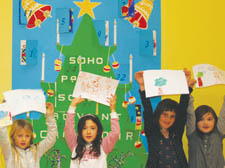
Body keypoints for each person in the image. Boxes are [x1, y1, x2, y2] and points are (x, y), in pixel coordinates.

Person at [134, 69, 195, 168]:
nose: (168, 119)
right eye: (165, 115)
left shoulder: (176, 133)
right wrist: (142, 86)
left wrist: (186, 85)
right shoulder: (152, 132)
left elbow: (183, 109)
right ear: (158, 115)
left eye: (172, 116)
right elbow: (148, 110)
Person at [64, 95, 120, 168]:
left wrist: (113, 110)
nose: (88, 132)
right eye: (84, 128)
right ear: (80, 131)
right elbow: (68, 128)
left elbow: (115, 133)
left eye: (92, 128)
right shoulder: (75, 143)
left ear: (98, 130)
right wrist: (72, 105)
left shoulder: (103, 145)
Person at [0, 102, 57, 168]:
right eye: (20, 135)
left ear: (31, 137)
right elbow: (2, 134)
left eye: (27, 136)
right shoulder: (9, 151)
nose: (23, 139)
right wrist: (4, 111)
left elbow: (51, 138)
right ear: (13, 136)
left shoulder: (36, 150)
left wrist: (50, 117)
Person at [186, 88, 225, 167]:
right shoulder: (192, 134)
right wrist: (188, 92)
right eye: (201, 119)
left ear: (215, 121)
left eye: (209, 119)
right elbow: (190, 113)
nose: (205, 123)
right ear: (195, 122)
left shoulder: (219, 133)